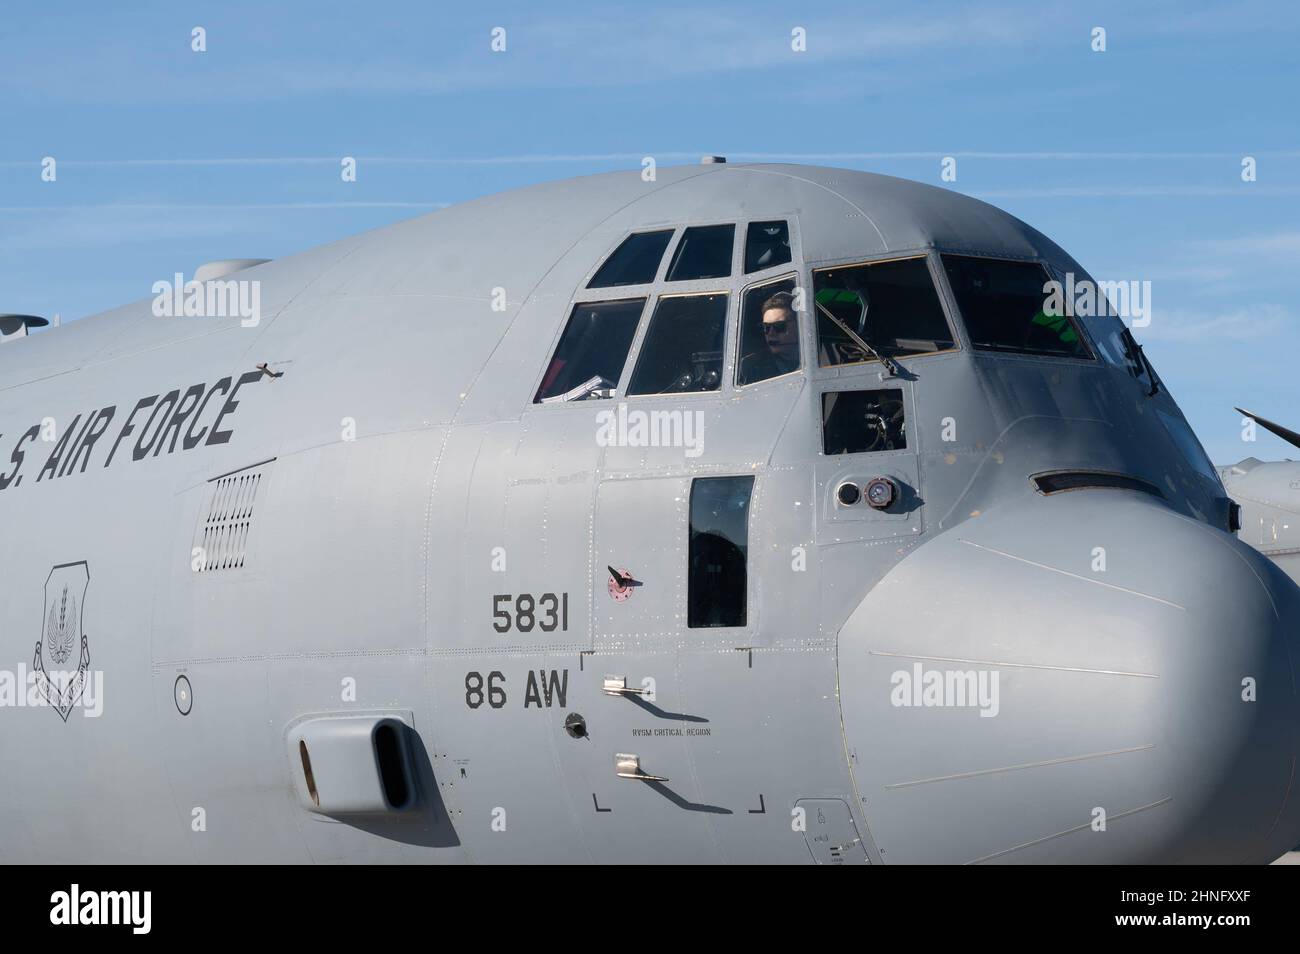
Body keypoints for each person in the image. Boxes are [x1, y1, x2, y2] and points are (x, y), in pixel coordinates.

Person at [738, 290, 800, 384]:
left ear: (799, 325)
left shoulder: (825, 356)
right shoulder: (753, 368)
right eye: (766, 327)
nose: (770, 333)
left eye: (779, 326)